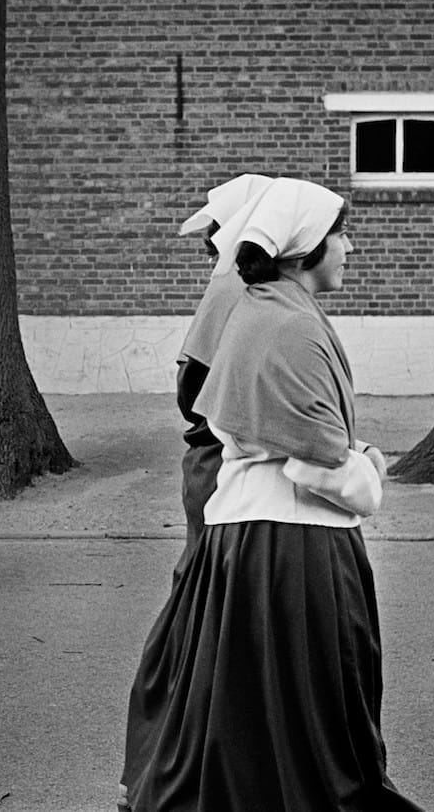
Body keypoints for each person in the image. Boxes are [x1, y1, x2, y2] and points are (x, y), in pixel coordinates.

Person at [119, 179, 425, 812]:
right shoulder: (286, 325)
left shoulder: (268, 309)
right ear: (307, 249)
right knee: (312, 698)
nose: (349, 247)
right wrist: (368, 467)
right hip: (293, 541)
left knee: (247, 689)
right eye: (340, 235)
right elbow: (318, 461)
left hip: (251, 528)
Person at [171, 173, 274, 574]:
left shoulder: (242, 283)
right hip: (217, 455)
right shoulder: (235, 285)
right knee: (207, 577)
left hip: (219, 455)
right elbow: (192, 382)